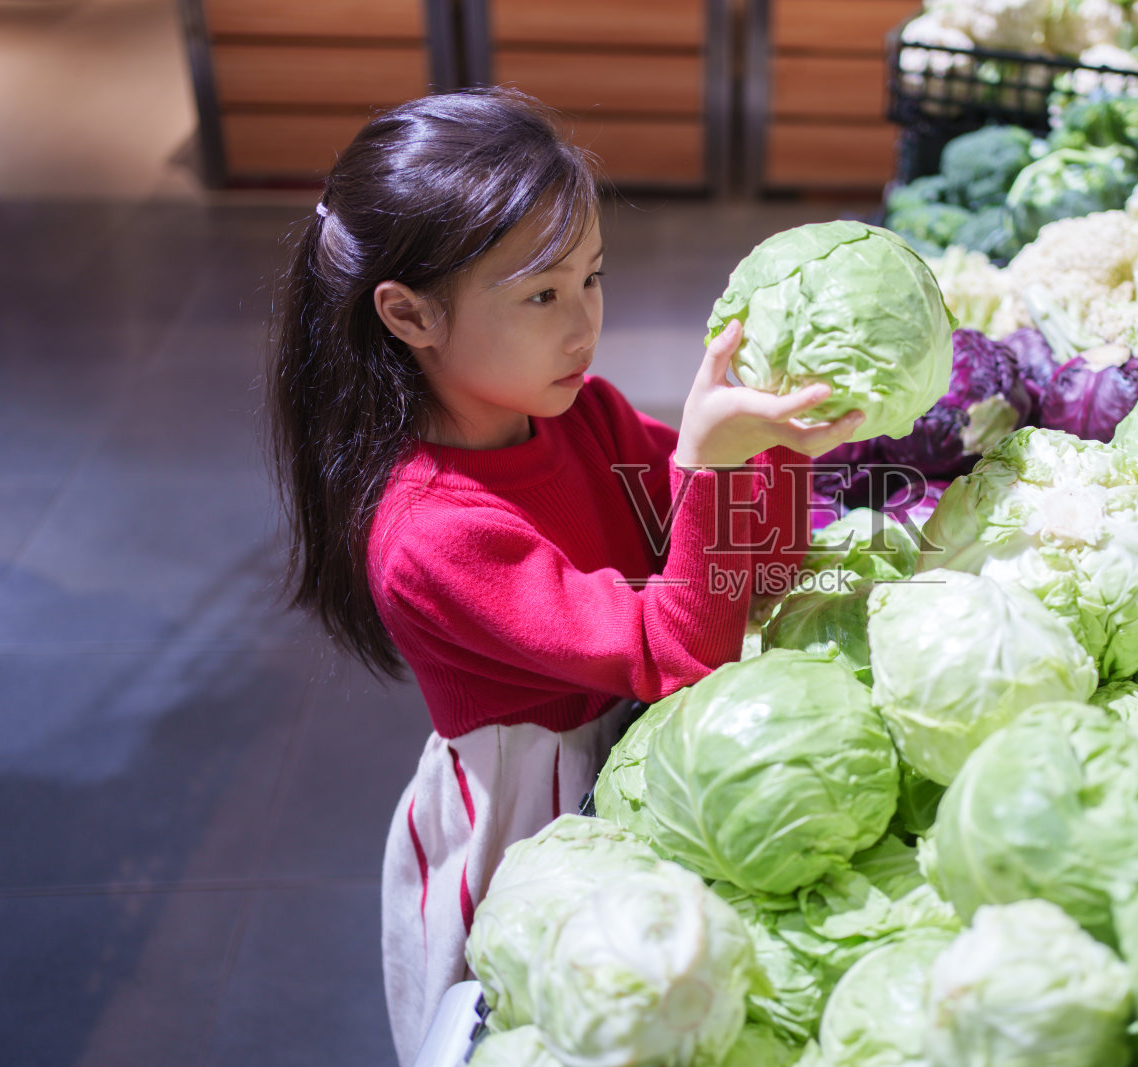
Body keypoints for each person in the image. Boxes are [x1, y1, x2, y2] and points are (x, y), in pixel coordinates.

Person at [267, 87, 864, 1066]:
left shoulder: (581, 415)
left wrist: (781, 440)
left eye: (592, 278)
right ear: (410, 314)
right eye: (541, 295)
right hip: (533, 813)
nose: (583, 322)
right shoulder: (430, 534)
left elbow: (750, 558)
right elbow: (676, 650)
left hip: (635, 747)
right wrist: (718, 463)